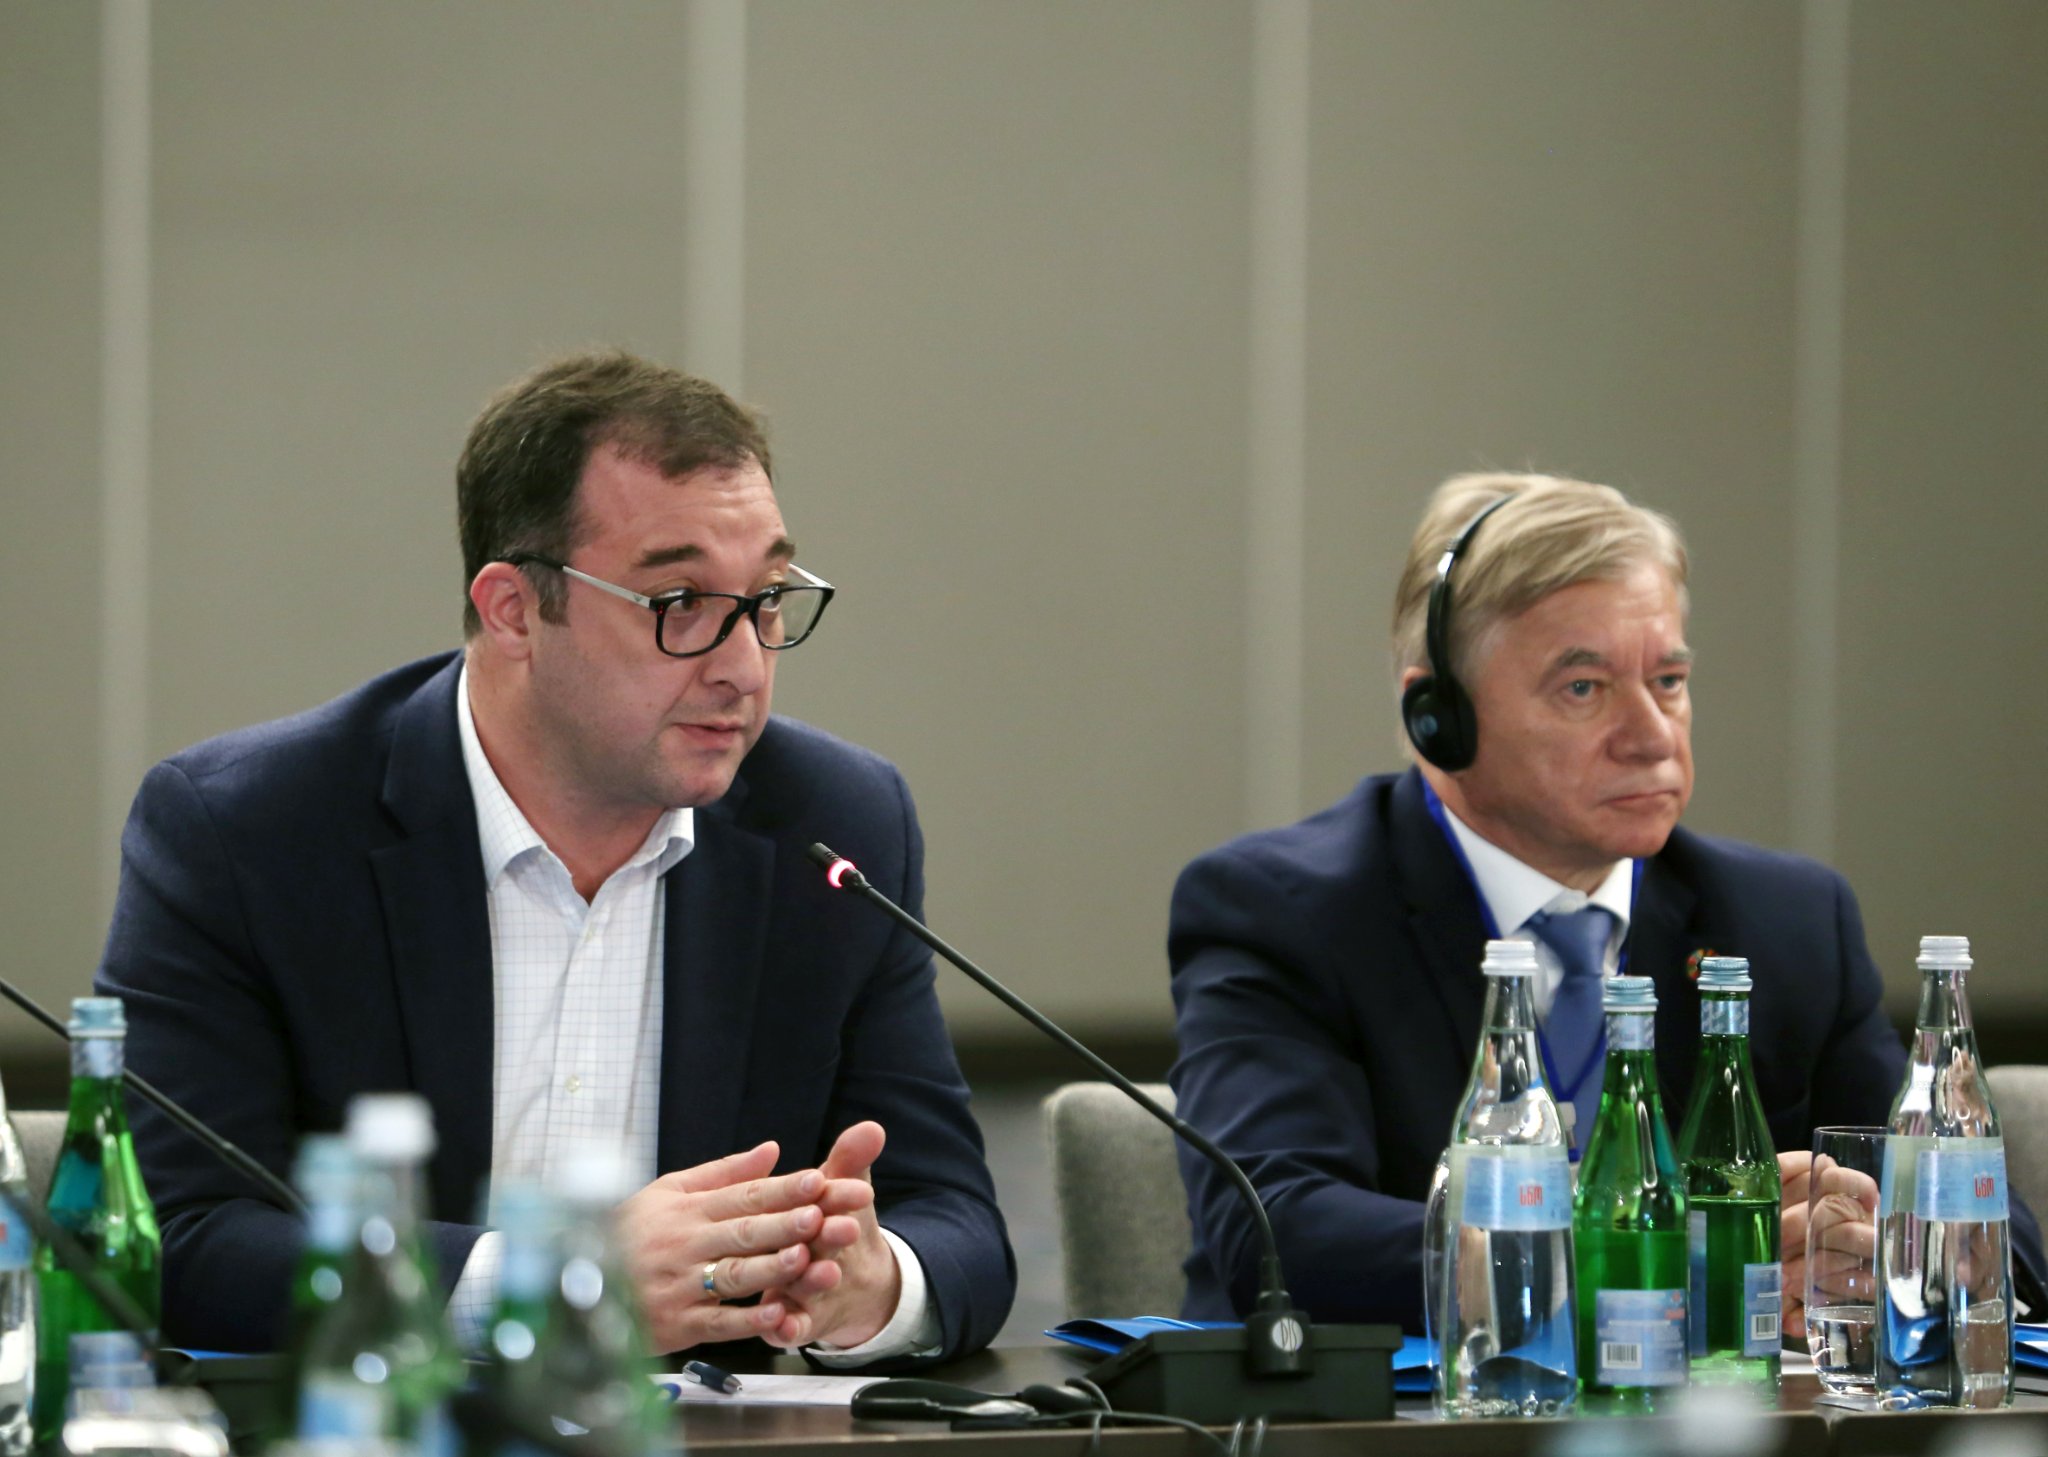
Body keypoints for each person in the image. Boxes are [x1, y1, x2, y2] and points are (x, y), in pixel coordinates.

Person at [96, 350, 1015, 1365]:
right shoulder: (250, 834)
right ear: (514, 610)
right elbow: (175, 1239)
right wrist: (546, 1279)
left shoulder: (833, 827)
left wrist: (870, 1285)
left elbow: (957, 1225)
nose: (744, 665)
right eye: (679, 602)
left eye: (764, 598)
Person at [1167, 470, 2045, 1335]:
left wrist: (1879, 1246)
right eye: (1583, 688)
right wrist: (1649, 1261)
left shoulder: (1785, 921)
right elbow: (1277, 1228)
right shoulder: (1284, 911)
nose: (1652, 735)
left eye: (1668, 680)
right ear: (1439, 718)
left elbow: (2002, 1243)